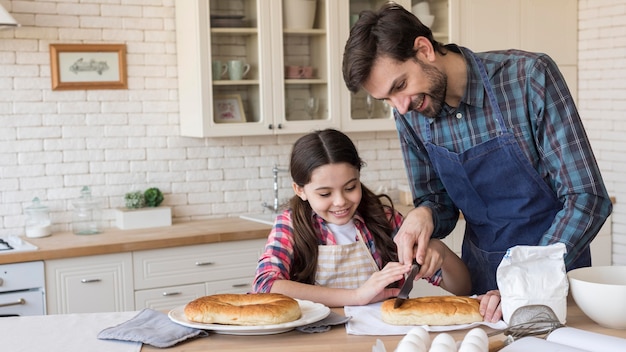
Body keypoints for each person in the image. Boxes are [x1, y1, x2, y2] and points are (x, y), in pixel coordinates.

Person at [342, 2, 612, 321]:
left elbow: (587, 198)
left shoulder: (528, 77)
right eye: (386, 99)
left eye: (400, 86)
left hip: (554, 282)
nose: (399, 107)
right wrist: (424, 214)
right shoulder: (410, 115)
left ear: (424, 49)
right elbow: (439, 204)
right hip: (481, 289)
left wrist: (524, 282)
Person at [252, 129, 472, 308]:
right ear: (300, 190)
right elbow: (265, 285)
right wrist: (357, 296)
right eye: (325, 194)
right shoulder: (291, 224)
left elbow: (462, 289)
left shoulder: (384, 220)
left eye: (350, 187)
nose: (340, 201)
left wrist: (440, 251)